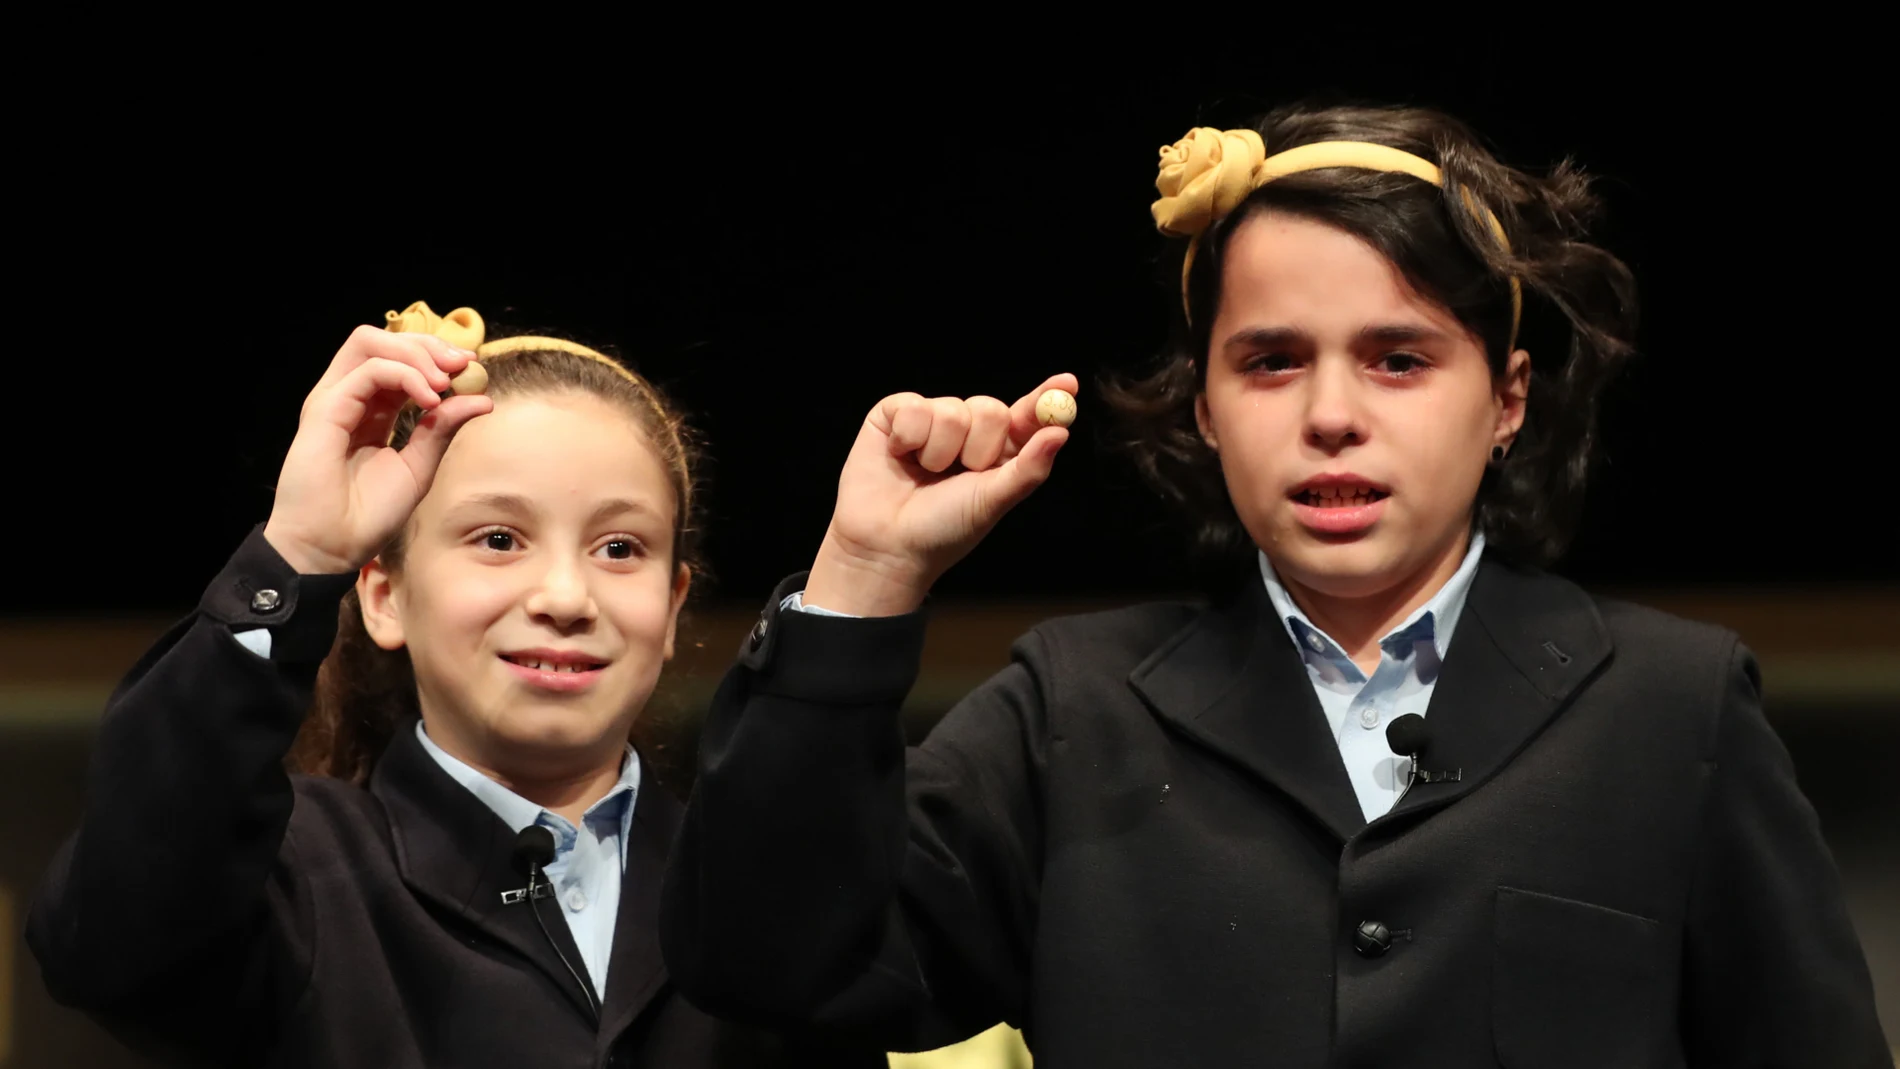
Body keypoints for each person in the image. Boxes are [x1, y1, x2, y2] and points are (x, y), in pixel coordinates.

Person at [660, 104, 1891, 1067]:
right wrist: (866, 576)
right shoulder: (1068, 714)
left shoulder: (1675, 709)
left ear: (1508, 398)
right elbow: (772, 969)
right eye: (1270, 361)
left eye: (1399, 359)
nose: (1332, 416)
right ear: (1204, 406)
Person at [27, 303, 879, 1067]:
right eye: (499, 538)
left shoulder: (760, 890)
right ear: (384, 593)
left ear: (671, 606)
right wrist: (295, 556)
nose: (565, 598)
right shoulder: (296, 879)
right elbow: (106, 933)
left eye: (620, 548)